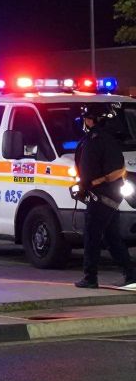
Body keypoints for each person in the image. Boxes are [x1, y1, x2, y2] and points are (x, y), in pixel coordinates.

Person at [73, 105, 136, 289]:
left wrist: (87, 186)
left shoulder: (96, 140)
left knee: (92, 236)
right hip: (109, 196)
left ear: (92, 119)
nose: (85, 121)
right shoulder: (108, 139)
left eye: (87, 118)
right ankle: (130, 274)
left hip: (100, 196)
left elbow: (93, 170)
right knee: (111, 237)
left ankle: (90, 277)